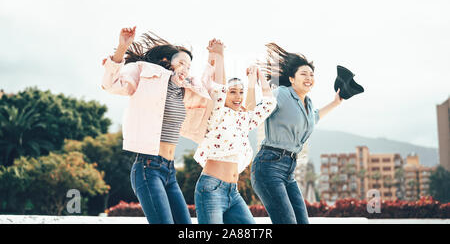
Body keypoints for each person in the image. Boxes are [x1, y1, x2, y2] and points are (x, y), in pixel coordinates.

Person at [101, 26, 225, 224]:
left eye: (189, 65)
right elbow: (111, 84)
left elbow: (218, 93)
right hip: (148, 168)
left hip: (169, 170)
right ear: (167, 62)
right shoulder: (146, 74)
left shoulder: (188, 88)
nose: (186, 67)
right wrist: (121, 49)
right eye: (182, 62)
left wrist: (218, 57)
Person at [250, 43, 343, 224]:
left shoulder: (307, 103)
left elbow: (314, 118)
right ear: (292, 79)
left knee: (302, 221)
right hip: (269, 166)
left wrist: (335, 103)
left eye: (311, 74)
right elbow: (262, 105)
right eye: (303, 74)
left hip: (289, 169)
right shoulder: (282, 94)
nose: (309, 77)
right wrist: (256, 82)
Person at [193, 62, 276, 224]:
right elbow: (219, 89)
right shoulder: (217, 115)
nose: (238, 97)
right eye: (233, 92)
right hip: (211, 189)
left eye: (241, 92)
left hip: (233, 191)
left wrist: (258, 76)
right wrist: (219, 55)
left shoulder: (244, 120)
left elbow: (269, 103)